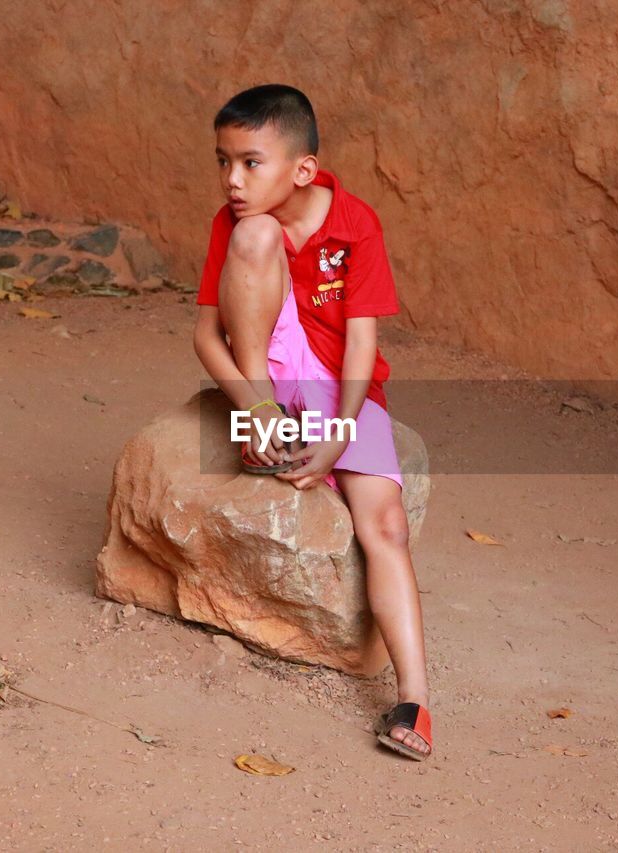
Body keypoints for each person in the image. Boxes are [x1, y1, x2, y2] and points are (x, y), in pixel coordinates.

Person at [191, 84, 432, 760]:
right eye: (223, 162)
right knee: (254, 232)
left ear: (302, 169)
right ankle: (267, 435)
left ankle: (413, 697)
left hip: (342, 394)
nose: (232, 180)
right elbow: (207, 336)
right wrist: (255, 406)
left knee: (384, 523)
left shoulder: (355, 223)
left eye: (249, 163)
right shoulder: (236, 224)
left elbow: (362, 346)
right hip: (268, 380)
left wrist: (338, 436)